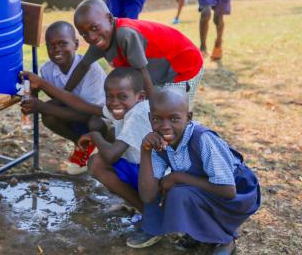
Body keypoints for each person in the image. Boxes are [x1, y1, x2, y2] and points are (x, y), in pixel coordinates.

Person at [129, 87, 260, 255]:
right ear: (150, 118)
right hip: (207, 189)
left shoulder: (202, 139)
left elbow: (228, 191)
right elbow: (148, 195)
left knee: (179, 192)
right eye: (157, 119)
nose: (165, 127)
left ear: (188, 118)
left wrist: (178, 177)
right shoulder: (157, 144)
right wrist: (145, 150)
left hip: (238, 193)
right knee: (162, 185)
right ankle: (196, 232)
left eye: (174, 119)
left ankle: (225, 240)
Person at [64, 0, 204, 109]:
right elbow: (83, 66)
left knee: (172, 112)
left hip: (184, 65)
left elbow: (141, 73)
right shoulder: (100, 40)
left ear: (110, 19)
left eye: (94, 28)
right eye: (84, 34)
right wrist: (63, 94)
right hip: (159, 73)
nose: (91, 37)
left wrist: (154, 109)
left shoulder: (125, 34)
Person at [21, 21, 106, 175]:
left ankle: (101, 149)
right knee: (49, 116)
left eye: (62, 43)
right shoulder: (47, 70)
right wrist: (32, 96)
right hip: (75, 116)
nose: (56, 50)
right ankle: (80, 143)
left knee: (95, 122)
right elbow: (59, 101)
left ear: (76, 44)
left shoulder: (92, 70)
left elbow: (91, 113)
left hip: (101, 119)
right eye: (51, 46)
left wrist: (41, 106)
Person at [77, 68, 151, 214]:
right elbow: (88, 108)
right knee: (97, 160)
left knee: (100, 160)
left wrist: (94, 135)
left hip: (156, 177)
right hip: (139, 169)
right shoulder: (123, 107)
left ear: (140, 96)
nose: (115, 103)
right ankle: (142, 208)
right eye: (109, 97)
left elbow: (111, 155)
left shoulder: (139, 113)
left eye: (122, 96)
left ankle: (148, 213)